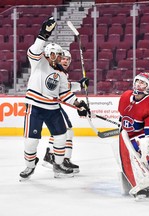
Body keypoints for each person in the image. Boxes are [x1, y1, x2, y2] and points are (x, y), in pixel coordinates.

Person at [19, 16, 90, 181]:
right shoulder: (39, 62)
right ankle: (30, 165)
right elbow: (34, 51)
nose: (55, 57)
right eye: (52, 53)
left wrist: (79, 104)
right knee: (31, 142)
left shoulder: (61, 74)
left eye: (57, 54)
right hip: (35, 108)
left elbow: (64, 94)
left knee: (61, 137)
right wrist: (43, 34)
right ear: (47, 54)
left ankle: (58, 164)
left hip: (52, 109)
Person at [118, 72, 149, 199]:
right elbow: (123, 117)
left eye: (143, 83)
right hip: (133, 140)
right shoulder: (125, 96)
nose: (139, 85)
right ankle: (141, 179)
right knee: (129, 152)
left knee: (144, 154)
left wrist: (144, 149)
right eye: (138, 81)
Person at [42, 49, 89, 173]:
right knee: (66, 130)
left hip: (52, 104)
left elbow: (64, 88)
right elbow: (60, 92)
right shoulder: (53, 71)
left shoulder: (61, 73)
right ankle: (59, 158)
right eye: (63, 58)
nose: (66, 61)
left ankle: (53, 156)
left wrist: (79, 84)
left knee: (61, 131)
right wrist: (78, 103)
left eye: (68, 59)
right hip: (48, 105)